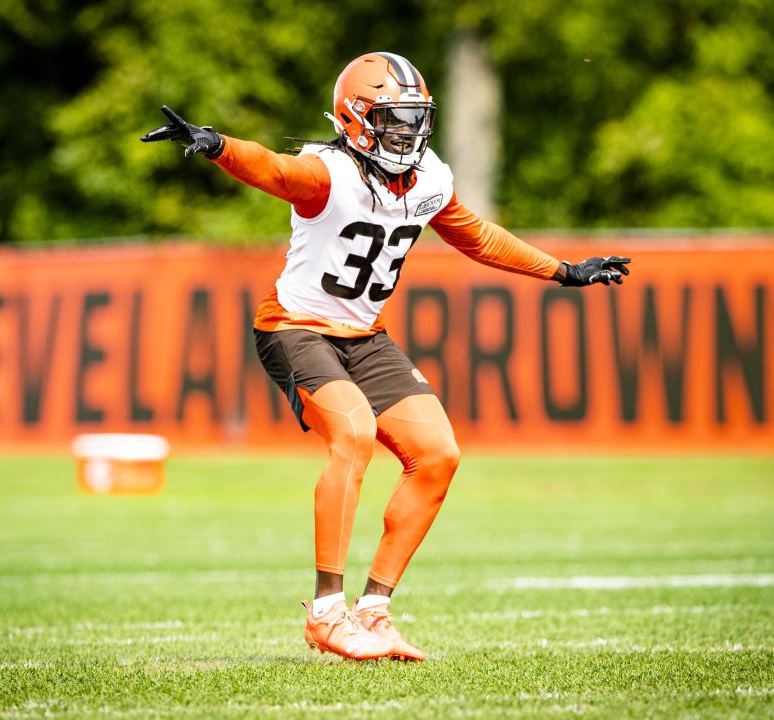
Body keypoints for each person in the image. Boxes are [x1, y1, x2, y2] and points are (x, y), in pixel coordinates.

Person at [142, 52, 630, 662]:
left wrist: (561, 271)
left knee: (437, 454)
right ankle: (326, 613)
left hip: (363, 334)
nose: (407, 134)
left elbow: (476, 236)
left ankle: (373, 612)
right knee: (354, 431)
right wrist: (217, 145)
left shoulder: (428, 178)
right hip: (294, 328)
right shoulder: (328, 174)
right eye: (392, 120)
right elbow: (272, 169)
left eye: (413, 120)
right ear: (354, 118)